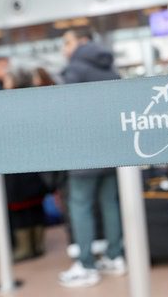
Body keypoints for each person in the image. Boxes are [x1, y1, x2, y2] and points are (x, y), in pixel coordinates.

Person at [58, 29, 125, 288]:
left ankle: (86, 264)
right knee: (109, 202)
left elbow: (67, 110)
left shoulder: (76, 68)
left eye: (68, 42)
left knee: (80, 204)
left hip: (84, 147)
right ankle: (115, 256)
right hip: (111, 145)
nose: (64, 49)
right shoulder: (110, 68)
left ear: (82, 42)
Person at [2, 68, 50, 261]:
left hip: (15, 165)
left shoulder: (7, 104)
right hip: (35, 163)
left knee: (19, 208)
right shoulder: (36, 99)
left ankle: (24, 247)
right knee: (35, 205)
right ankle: (38, 244)